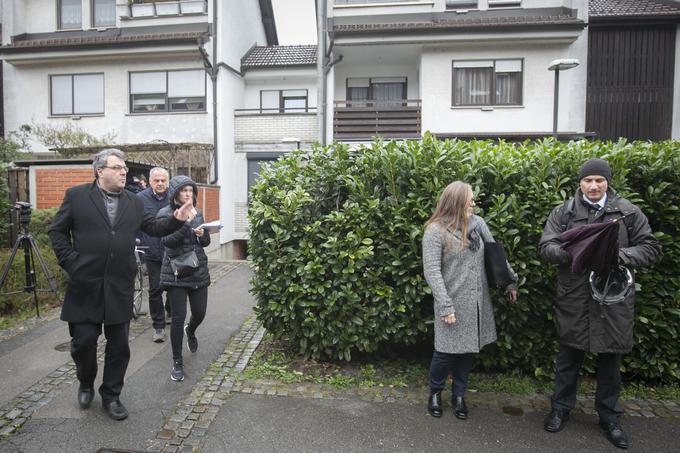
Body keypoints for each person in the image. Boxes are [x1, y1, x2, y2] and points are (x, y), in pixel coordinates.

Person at [48, 149, 194, 420]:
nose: (124, 171)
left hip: (119, 284)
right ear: (100, 171)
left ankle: (111, 395)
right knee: (83, 342)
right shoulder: (77, 196)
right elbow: (57, 231)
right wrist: (70, 262)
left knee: (119, 346)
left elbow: (152, 228)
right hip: (85, 284)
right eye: (117, 167)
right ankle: (85, 381)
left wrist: (177, 219)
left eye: (124, 167)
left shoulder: (134, 201)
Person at [539, 158, 662, 449]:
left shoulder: (628, 212)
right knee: (568, 359)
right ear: (579, 183)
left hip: (612, 298)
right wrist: (576, 253)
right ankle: (560, 409)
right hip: (575, 298)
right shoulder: (564, 213)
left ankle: (609, 417)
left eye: (599, 180)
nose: (593, 186)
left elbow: (651, 248)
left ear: (607, 182)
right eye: (588, 180)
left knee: (610, 362)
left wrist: (616, 256)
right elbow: (546, 246)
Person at [422, 181, 518, 420]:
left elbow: (496, 256)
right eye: (470, 199)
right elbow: (432, 271)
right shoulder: (435, 231)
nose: (473, 203)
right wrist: (445, 305)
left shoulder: (478, 224)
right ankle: (435, 392)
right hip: (451, 301)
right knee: (444, 353)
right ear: (456, 201)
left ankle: (460, 395)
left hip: (477, 301)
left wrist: (510, 281)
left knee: (467, 352)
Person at [157, 175, 211, 382]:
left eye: (191, 191)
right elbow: (167, 242)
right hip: (176, 272)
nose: (189, 195)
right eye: (184, 191)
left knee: (200, 313)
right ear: (175, 194)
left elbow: (204, 242)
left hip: (197, 269)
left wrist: (201, 234)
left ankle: (192, 330)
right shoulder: (165, 214)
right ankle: (177, 361)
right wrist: (184, 225)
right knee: (177, 319)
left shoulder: (198, 213)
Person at [137, 167, 171, 342]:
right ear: (150, 182)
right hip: (152, 252)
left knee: (173, 287)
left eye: (163, 180)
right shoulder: (140, 199)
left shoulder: (175, 196)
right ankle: (158, 326)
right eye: (156, 180)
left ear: (168, 181)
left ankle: (170, 310)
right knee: (155, 289)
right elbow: (135, 224)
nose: (160, 183)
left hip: (172, 251)